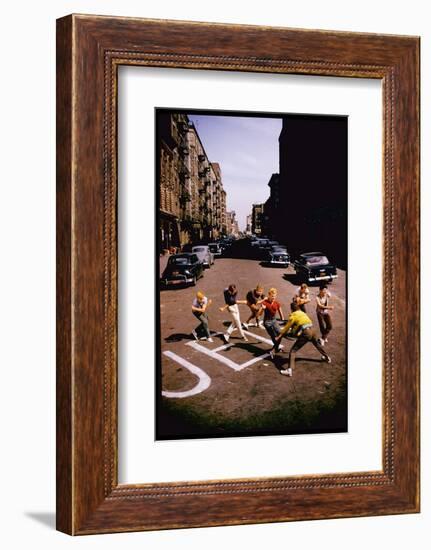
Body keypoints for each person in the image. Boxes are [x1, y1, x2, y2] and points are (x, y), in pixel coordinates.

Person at [275, 302, 331, 376]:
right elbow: (304, 323)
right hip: (312, 331)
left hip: (306, 333)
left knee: (293, 351)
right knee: (317, 345)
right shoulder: (303, 313)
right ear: (298, 308)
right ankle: (327, 357)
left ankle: (289, 370)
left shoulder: (293, 316)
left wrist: (279, 336)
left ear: (292, 309)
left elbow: (286, 328)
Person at [261, 288, 284, 358]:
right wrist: (262, 309)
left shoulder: (276, 303)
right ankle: (275, 348)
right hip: (267, 322)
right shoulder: (264, 303)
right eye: (272, 296)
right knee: (274, 336)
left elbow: (280, 309)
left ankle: (274, 349)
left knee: (280, 334)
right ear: (269, 295)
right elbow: (259, 314)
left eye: (274, 296)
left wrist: (282, 318)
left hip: (274, 320)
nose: (273, 297)